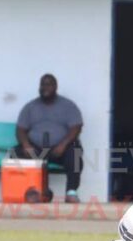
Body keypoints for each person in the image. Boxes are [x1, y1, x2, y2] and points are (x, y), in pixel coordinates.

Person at [14, 74, 83, 204]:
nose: (45, 87)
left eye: (49, 84)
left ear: (55, 87)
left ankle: (71, 193)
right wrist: (25, 144)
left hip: (60, 149)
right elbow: (20, 130)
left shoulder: (68, 106)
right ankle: (35, 192)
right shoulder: (30, 107)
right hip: (36, 148)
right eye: (42, 84)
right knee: (16, 152)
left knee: (75, 152)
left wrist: (63, 144)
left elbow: (76, 127)